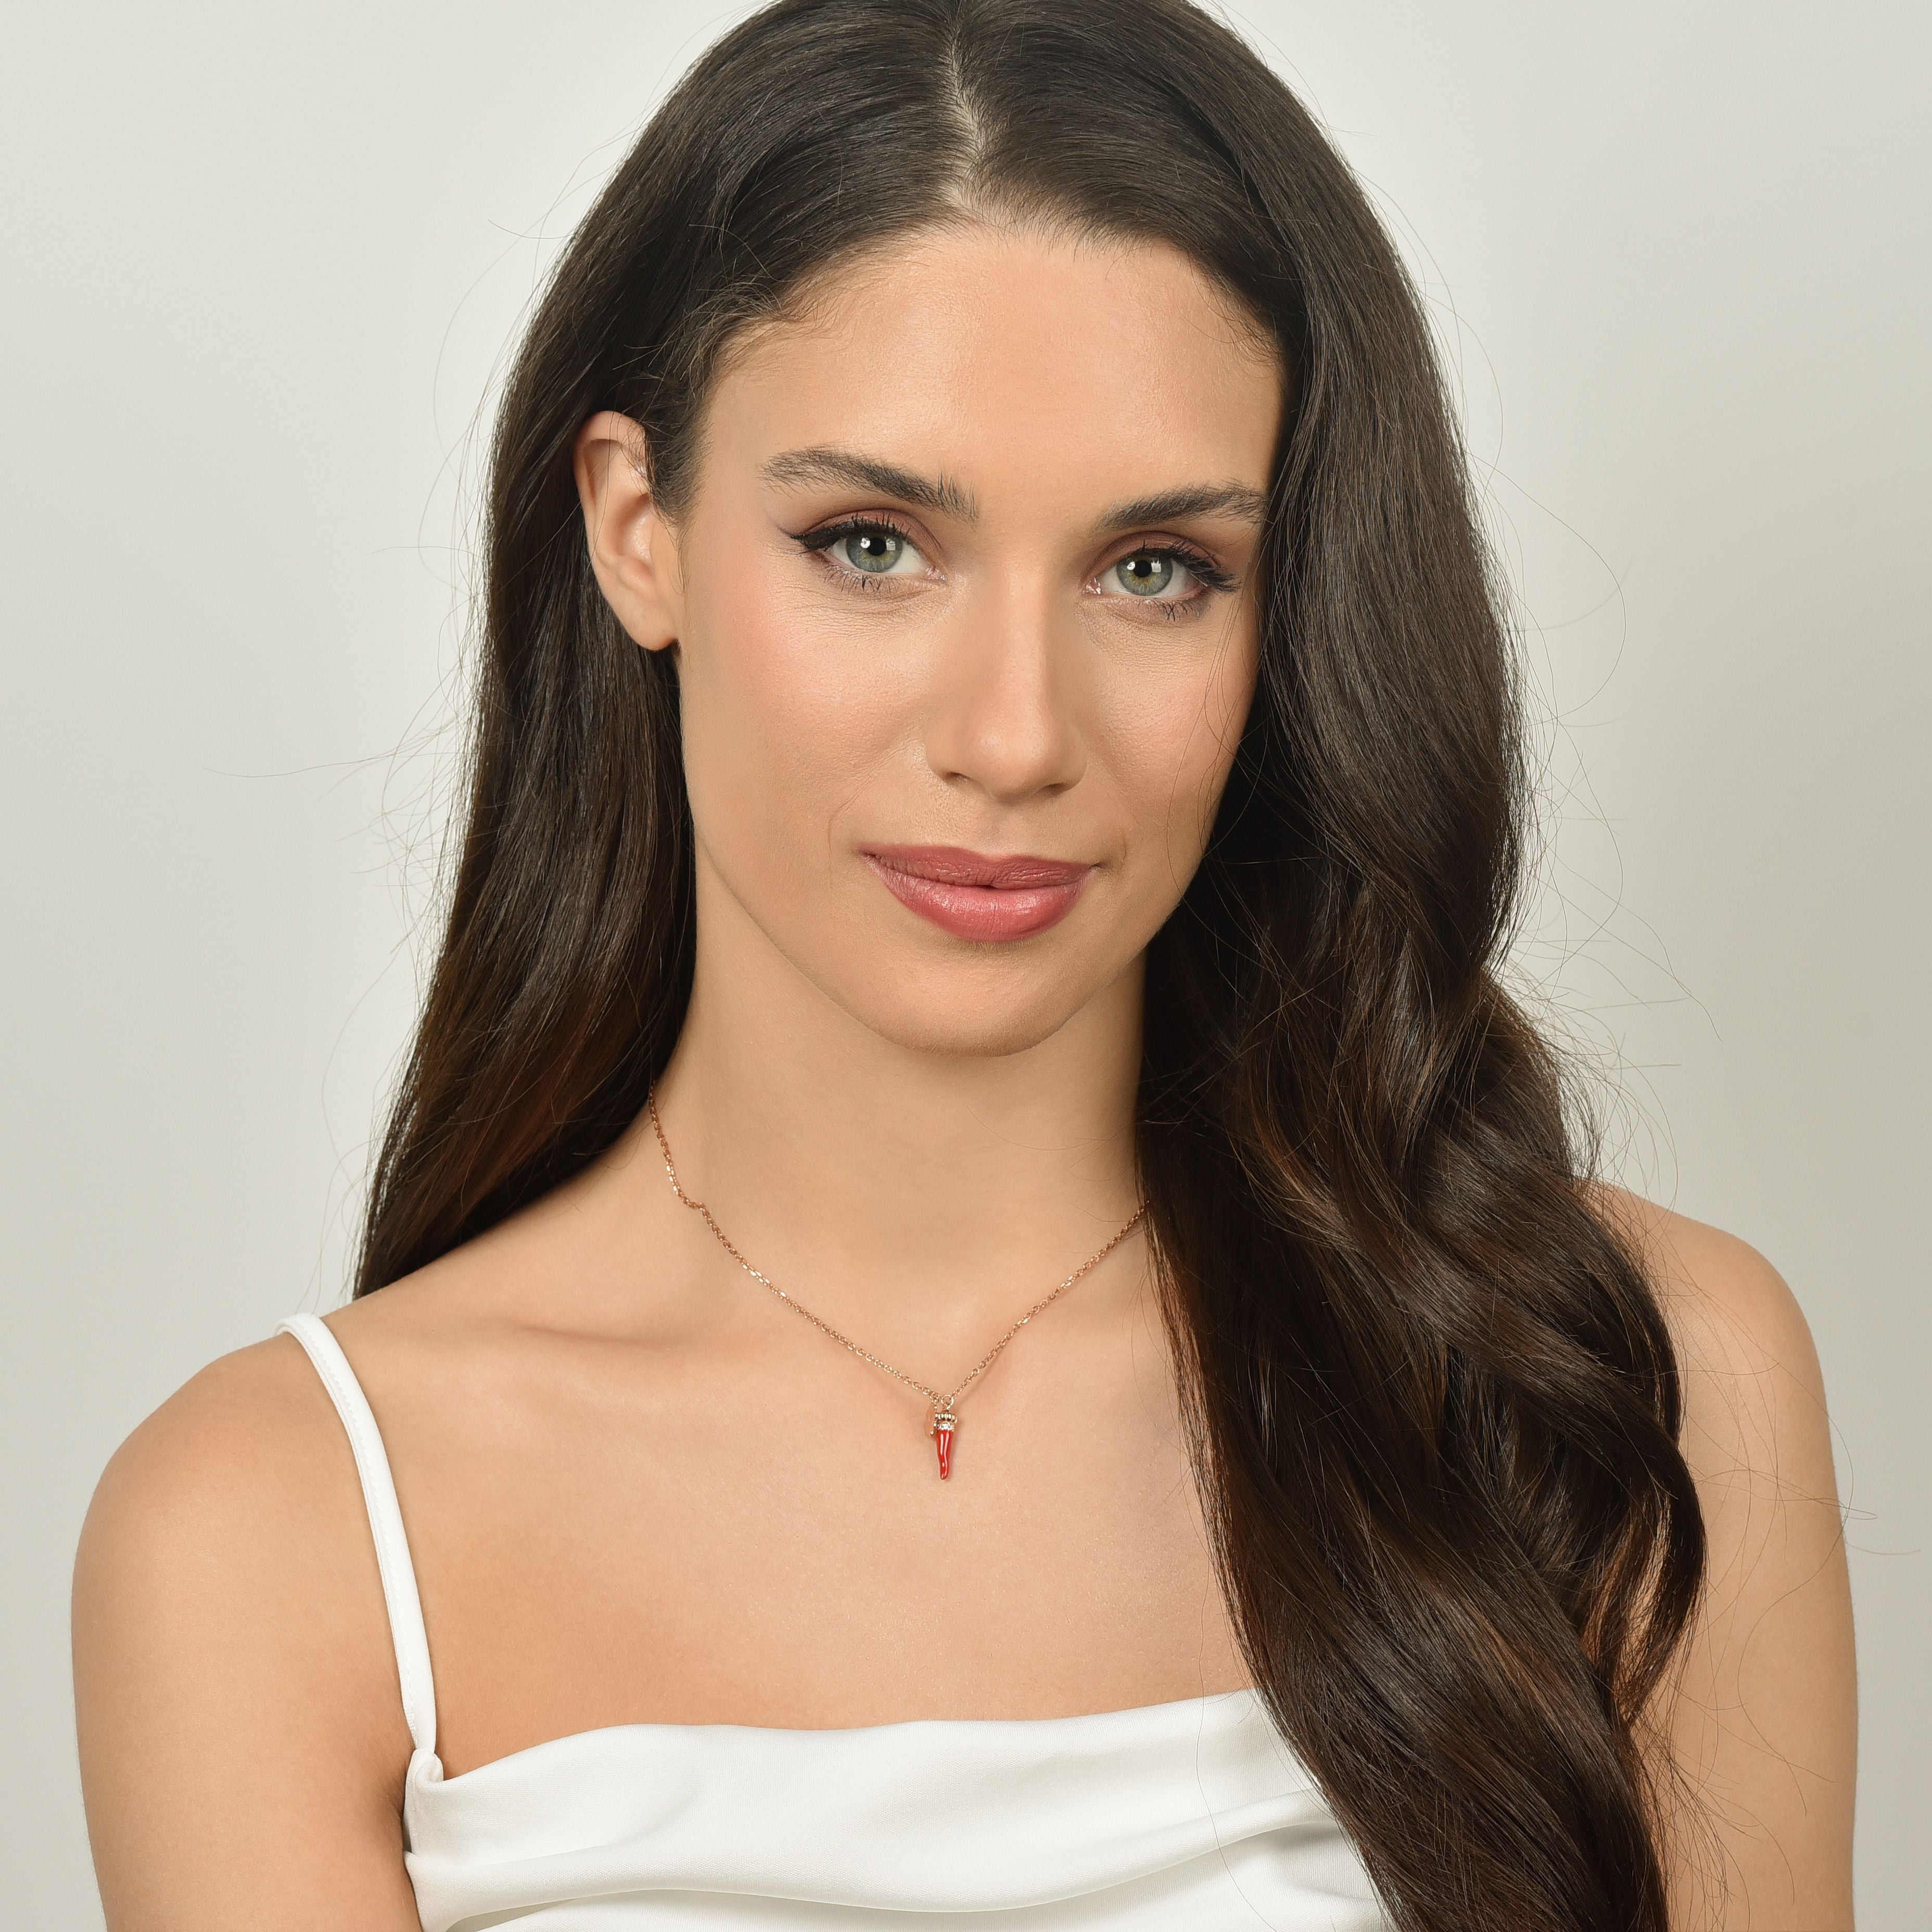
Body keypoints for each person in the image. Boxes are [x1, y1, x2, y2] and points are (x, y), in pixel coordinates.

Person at [69, 2, 1856, 1927]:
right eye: (871, 544)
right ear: (636, 528)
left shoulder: (1626, 1390)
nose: (1016, 737)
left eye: (1155, 570)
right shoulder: (277, 1530)